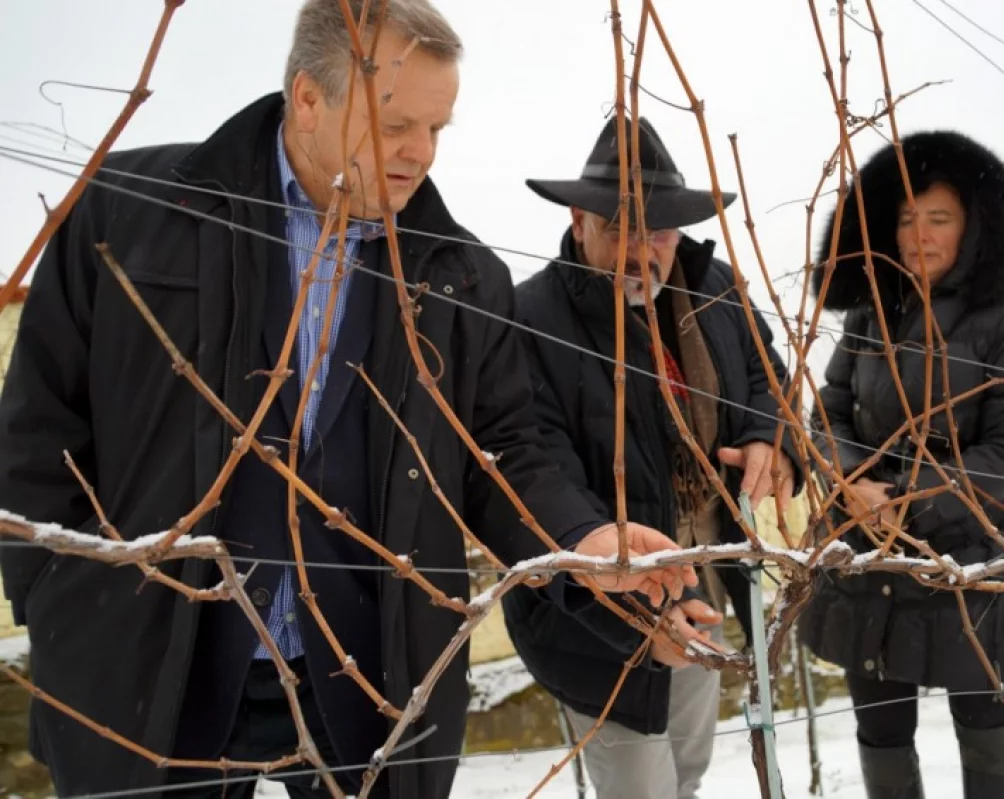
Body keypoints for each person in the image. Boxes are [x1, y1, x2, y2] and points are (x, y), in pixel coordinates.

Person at [0, 3, 698, 797]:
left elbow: (502, 455)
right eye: (395, 122)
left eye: (438, 128)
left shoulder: (461, 279)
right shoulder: (132, 213)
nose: (420, 154)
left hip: (368, 679)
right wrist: (62, 605)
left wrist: (583, 538)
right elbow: (36, 430)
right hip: (151, 666)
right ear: (308, 98)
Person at [501, 114, 800, 799]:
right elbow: (536, 472)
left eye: (658, 230)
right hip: (596, 619)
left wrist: (769, 435)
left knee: (686, 774)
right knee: (640, 789)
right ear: (579, 220)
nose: (644, 250)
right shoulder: (529, 318)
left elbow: (766, 374)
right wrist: (631, 603)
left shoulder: (714, 285)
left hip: (708, 584)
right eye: (621, 229)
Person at [799, 130, 1004, 799]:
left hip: (971, 549)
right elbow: (830, 409)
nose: (919, 234)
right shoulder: (869, 314)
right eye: (907, 219)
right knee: (880, 724)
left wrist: (907, 499)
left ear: (974, 225)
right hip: (870, 551)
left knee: (983, 716)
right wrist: (851, 481)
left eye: (939, 217)